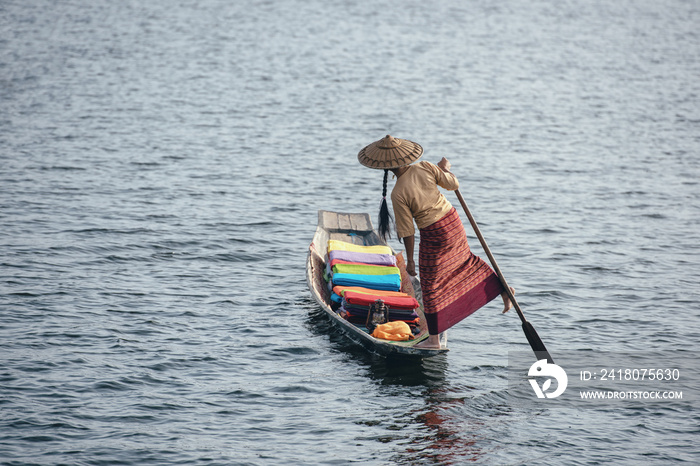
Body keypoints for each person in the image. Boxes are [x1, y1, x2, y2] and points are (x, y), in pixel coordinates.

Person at [357, 135, 513, 349]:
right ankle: (502, 288)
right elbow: (453, 184)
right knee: (466, 261)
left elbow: (407, 231)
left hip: (435, 232)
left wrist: (410, 261)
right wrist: (445, 170)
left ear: (387, 167)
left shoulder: (398, 192)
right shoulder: (425, 166)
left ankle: (433, 340)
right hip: (452, 222)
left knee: (430, 283)